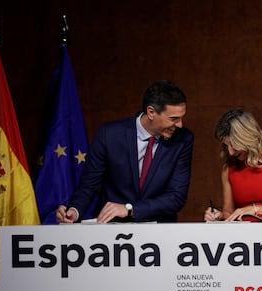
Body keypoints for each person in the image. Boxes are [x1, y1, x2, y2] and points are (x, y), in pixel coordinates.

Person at [57, 80, 194, 223]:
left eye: (181, 118)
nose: (179, 125)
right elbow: (89, 184)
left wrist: (130, 209)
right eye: (174, 119)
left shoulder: (183, 139)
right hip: (111, 230)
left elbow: (176, 196)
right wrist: (74, 210)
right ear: (151, 112)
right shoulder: (109, 134)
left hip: (158, 230)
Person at [204, 108, 262, 222]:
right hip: (245, 236)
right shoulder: (229, 168)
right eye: (226, 145)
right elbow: (229, 212)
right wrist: (219, 215)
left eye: (233, 144)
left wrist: (255, 209)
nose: (231, 152)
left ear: (247, 137)